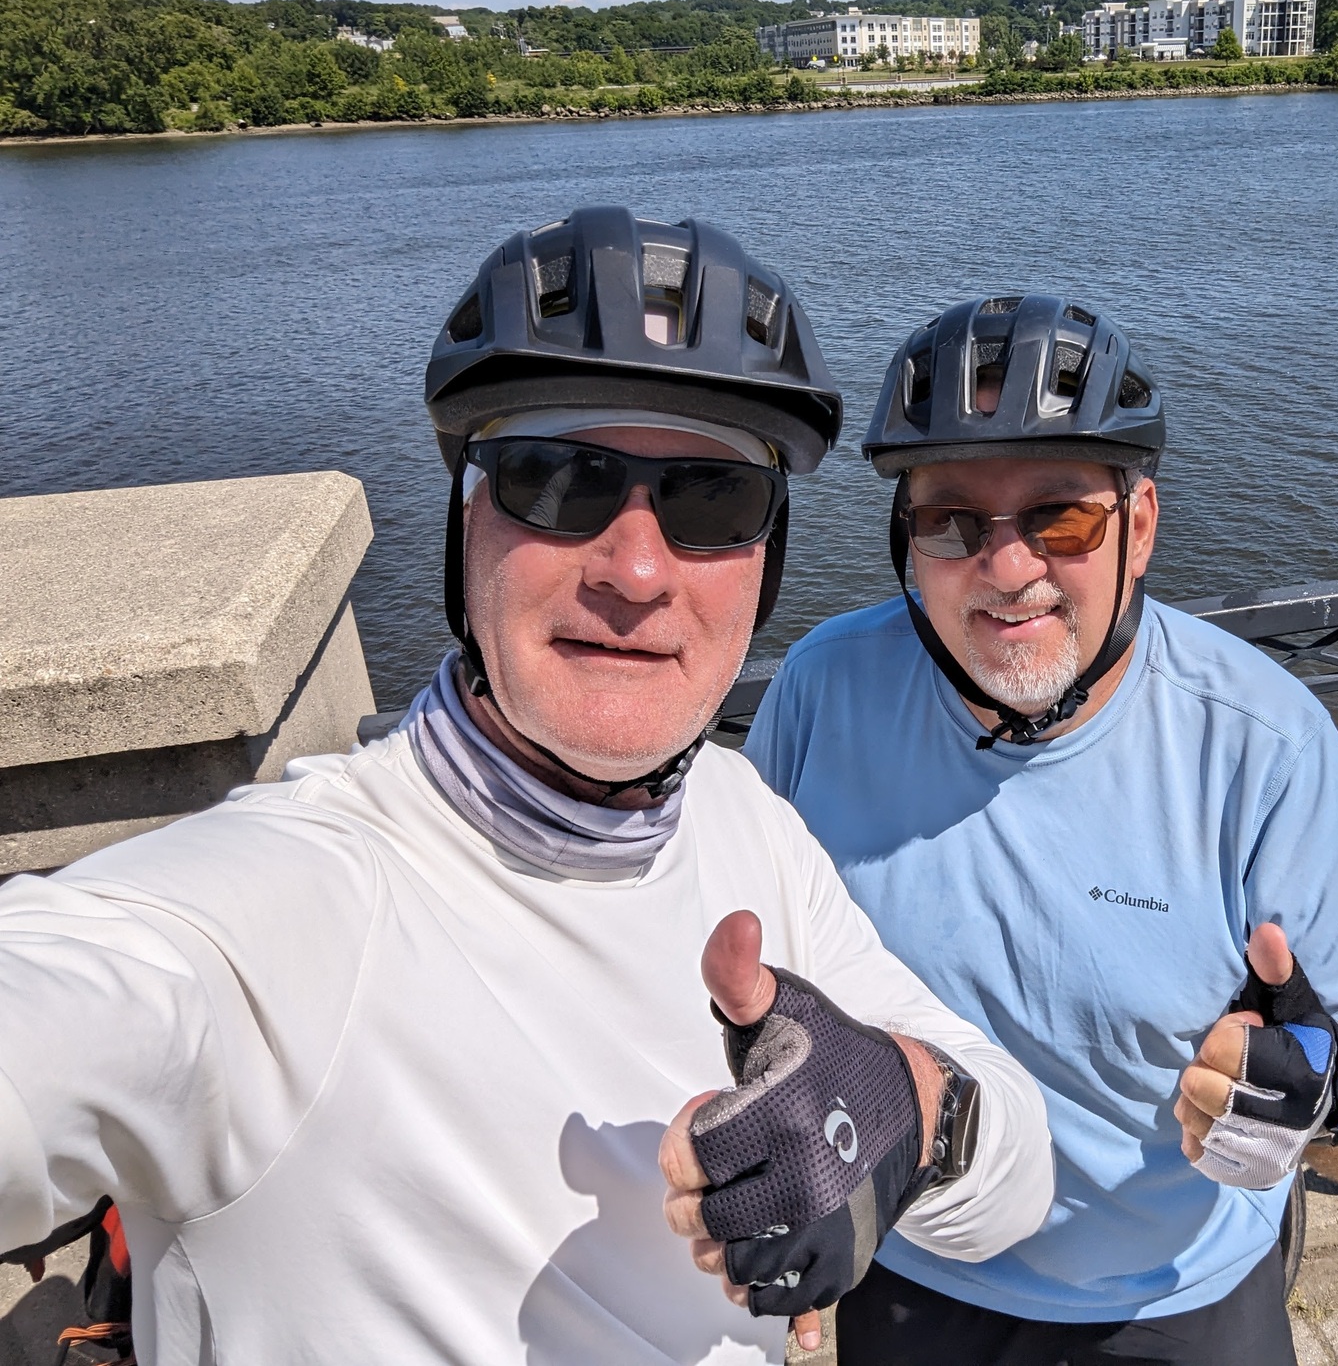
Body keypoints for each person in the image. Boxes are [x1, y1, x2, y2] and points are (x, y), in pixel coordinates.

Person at [0, 209, 1053, 1366]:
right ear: (466, 522)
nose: (637, 570)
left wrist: (911, 1106)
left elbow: (1018, 1178)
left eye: (712, 499)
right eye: (556, 481)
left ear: (768, 558)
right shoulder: (280, 911)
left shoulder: (740, 816)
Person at [746, 295, 1338, 1364]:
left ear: (1141, 524)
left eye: (1060, 519)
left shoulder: (1260, 746)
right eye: (951, 522)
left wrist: (1334, 1095)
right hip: (911, 1272)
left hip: (1174, 1301)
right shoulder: (822, 688)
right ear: (906, 539)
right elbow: (754, 956)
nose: (1007, 569)